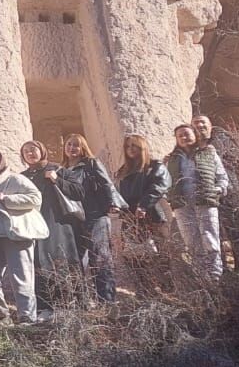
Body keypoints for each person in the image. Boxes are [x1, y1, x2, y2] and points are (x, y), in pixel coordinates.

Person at [0, 150, 46, 324]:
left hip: (16, 235)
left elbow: (36, 198)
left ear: (2, 162)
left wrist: (7, 199)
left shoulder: (15, 179)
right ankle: (2, 316)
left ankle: (27, 318)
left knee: (21, 279)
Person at [55, 134, 121, 303]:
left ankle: (106, 300)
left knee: (100, 257)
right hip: (74, 218)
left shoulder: (91, 164)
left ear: (83, 147)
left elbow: (106, 183)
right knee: (77, 260)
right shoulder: (61, 169)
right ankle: (83, 300)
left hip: (94, 214)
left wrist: (112, 203)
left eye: (76, 145)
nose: (72, 148)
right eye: (69, 144)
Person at [20, 140, 81, 318]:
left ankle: (68, 304)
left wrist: (56, 179)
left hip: (57, 223)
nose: (30, 153)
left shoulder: (58, 169)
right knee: (38, 263)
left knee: (61, 260)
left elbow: (79, 192)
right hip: (33, 225)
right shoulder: (22, 177)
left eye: (33, 149)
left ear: (42, 150)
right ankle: (45, 306)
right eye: (26, 151)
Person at [165, 123, 228, 280]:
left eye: (187, 134)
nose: (184, 138)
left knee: (209, 237)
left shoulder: (208, 153)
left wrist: (218, 189)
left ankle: (215, 277)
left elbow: (221, 176)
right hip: (182, 205)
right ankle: (201, 277)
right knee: (191, 240)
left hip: (205, 201)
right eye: (180, 136)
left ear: (195, 135)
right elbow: (165, 181)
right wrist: (168, 195)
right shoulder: (171, 159)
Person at [117, 135, 173, 295]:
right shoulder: (124, 170)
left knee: (160, 252)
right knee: (132, 255)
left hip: (151, 214)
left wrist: (144, 204)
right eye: (127, 147)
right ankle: (144, 290)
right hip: (130, 216)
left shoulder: (154, 166)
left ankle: (167, 289)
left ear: (142, 147)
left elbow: (160, 186)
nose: (130, 149)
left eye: (134, 146)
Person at [193, 114, 239, 271]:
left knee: (235, 230)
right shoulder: (192, 147)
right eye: (196, 124)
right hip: (206, 196)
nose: (200, 126)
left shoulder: (222, 139)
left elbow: (236, 160)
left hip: (228, 191)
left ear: (210, 125)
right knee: (213, 232)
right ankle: (221, 268)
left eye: (202, 122)